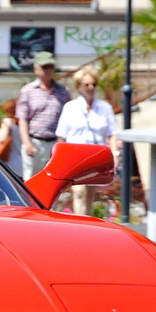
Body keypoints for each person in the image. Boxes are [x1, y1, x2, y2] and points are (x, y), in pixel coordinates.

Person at [56, 66, 118, 217]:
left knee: (90, 193)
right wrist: (59, 158)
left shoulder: (104, 107)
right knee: (78, 191)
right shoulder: (70, 107)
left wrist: (115, 155)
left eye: (93, 84)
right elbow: (61, 135)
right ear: (79, 86)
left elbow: (113, 133)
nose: (90, 88)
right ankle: (78, 222)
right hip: (75, 155)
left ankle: (86, 220)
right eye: (86, 84)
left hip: (95, 154)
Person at [16, 50, 70, 178]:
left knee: (54, 180)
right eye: (45, 67)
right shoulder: (28, 91)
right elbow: (22, 119)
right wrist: (27, 143)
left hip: (56, 143)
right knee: (32, 181)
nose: (48, 70)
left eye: (51, 67)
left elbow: (68, 118)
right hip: (35, 141)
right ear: (36, 69)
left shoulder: (63, 91)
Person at [0, 99, 25, 178]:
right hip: (24, 165)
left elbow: (1, 138)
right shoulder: (25, 125)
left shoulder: (8, 122)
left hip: (10, 165)